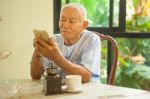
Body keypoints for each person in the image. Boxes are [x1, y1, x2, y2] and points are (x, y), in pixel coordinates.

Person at [30, 3, 101, 83]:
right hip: (60, 91)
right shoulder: (53, 40)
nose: (65, 25)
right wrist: (38, 50)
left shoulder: (91, 39)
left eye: (72, 21)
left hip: (88, 90)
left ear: (84, 25)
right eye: (62, 20)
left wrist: (56, 57)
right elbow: (35, 76)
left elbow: (86, 77)